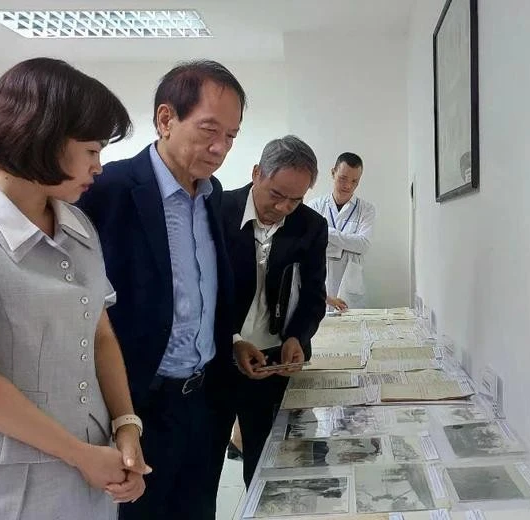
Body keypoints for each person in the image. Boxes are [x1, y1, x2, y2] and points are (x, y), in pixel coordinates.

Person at [0, 58, 148, 520]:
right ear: (44, 137)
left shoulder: (76, 222)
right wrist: (81, 455)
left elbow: (98, 333)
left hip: (91, 467)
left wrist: (126, 427)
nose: (99, 167)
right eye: (90, 151)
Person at [77, 59, 244, 519]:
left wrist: (227, 342)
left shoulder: (211, 194)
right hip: (138, 406)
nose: (220, 147)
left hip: (203, 401)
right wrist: (118, 415)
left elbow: (202, 292)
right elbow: (87, 308)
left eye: (231, 135)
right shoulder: (107, 190)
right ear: (166, 119)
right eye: (209, 129)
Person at [210, 135, 328, 486]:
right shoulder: (217, 210)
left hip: (271, 361)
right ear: (257, 173)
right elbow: (201, 291)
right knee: (202, 460)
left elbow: (312, 295)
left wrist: (297, 336)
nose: (283, 208)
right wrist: (232, 339)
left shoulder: (311, 226)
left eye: (296, 199)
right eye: (276, 195)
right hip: (216, 354)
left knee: (265, 461)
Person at [307, 152, 376, 310]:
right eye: (343, 178)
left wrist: (324, 231)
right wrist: (348, 243)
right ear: (333, 172)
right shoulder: (315, 206)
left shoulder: (366, 210)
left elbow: (363, 245)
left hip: (350, 284)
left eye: (354, 181)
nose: (348, 186)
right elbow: (310, 243)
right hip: (320, 281)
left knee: (351, 330)